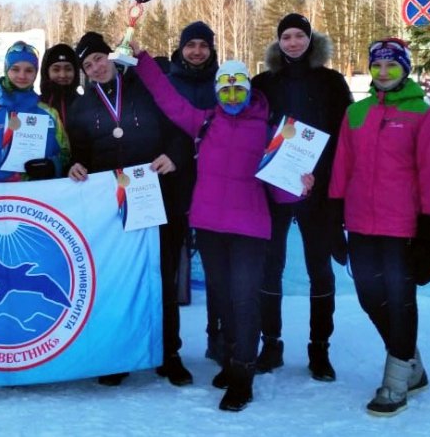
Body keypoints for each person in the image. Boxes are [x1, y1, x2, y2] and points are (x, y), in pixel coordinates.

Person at [131, 45, 313, 411]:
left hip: (249, 228)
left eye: (238, 90)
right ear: (217, 92)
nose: (232, 97)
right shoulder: (205, 122)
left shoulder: (268, 130)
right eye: (225, 91)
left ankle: (243, 375)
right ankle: (231, 360)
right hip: (210, 226)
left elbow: (280, 190)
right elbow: (168, 100)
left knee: (244, 299)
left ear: (248, 91)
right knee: (223, 298)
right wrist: (143, 60)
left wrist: (301, 185)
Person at [329, 38, 430, 416]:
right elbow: (342, 166)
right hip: (360, 223)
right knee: (369, 297)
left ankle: (396, 383)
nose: (382, 72)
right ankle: (412, 364)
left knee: (400, 299)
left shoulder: (422, 115)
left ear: (405, 69)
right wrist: (334, 218)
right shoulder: (356, 113)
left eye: (391, 65)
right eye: (377, 66)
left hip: (403, 227)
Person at [67, 31, 191, 387]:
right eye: (88, 65)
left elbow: (180, 129)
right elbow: (79, 153)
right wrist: (76, 166)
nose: (96, 68)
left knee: (162, 276)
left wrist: (174, 155)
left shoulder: (147, 87)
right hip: (113, 206)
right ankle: (120, 355)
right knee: (118, 279)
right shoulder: (81, 108)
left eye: (99, 59)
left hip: (157, 196)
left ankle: (170, 354)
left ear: (111, 56)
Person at [251, 13, 353, 381]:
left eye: (299, 36)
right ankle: (271, 344)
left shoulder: (331, 82)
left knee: (319, 270)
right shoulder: (263, 83)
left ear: (310, 40)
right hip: (273, 189)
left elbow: (344, 138)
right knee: (270, 267)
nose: (293, 42)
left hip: (317, 190)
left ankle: (319, 349)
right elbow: (250, 131)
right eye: (286, 37)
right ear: (278, 42)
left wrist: (320, 178)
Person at [167, 21, 222, 363]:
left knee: (217, 268)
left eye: (203, 45)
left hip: (215, 185)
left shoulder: (223, 82)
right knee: (169, 266)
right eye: (191, 45)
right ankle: (168, 346)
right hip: (174, 183)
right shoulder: (169, 82)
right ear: (181, 48)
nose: (197, 51)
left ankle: (218, 338)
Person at [0, 41, 69, 182]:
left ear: (36, 73)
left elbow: (65, 154)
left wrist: (53, 166)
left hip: (39, 193)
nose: (22, 75)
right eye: (15, 69)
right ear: (6, 70)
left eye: (29, 70)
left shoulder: (50, 114)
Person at [39, 43, 82, 128]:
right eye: (56, 69)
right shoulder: (37, 104)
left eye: (68, 69)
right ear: (47, 72)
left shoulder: (84, 104)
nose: (62, 75)